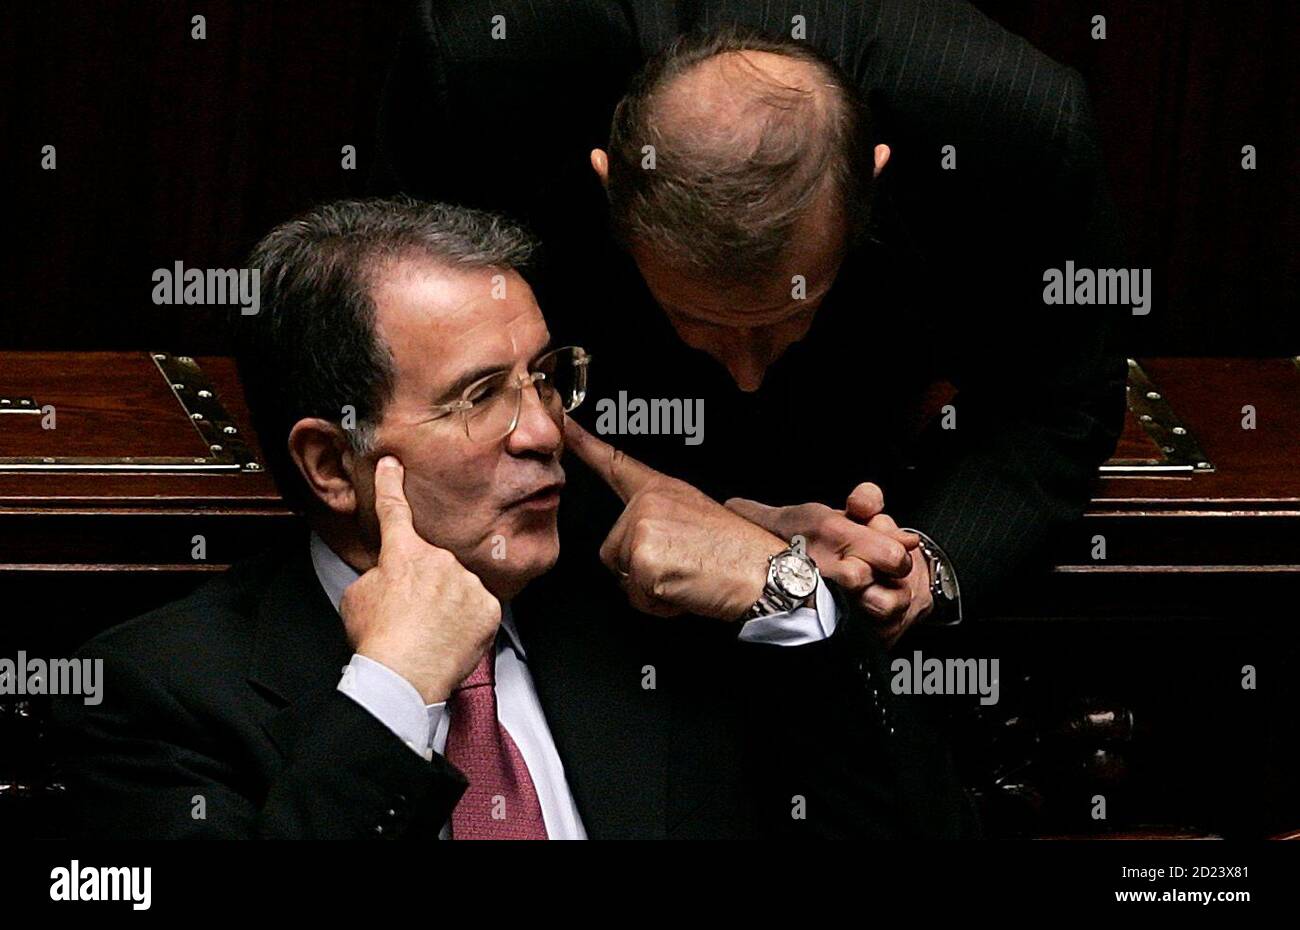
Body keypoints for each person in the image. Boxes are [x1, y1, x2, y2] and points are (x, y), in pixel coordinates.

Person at [51, 197, 976, 839]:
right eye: (479, 396)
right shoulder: (158, 696)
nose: (544, 431)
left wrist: (795, 604)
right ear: (334, 464)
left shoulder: (650, 619)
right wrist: (392, 693)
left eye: (543, 376)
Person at [371, 4, 1129, 644]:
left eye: (786, 317)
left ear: (871, 175)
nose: (746, 373)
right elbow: (405, 374)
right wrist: (629, 500)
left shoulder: (1006, 122)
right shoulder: (486, 73)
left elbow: (1056, 399)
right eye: (695, 319)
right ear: (606, 182)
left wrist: (922, 565)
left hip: (866, 497)